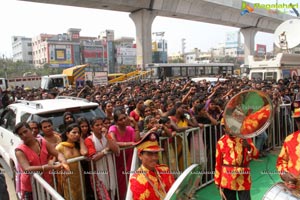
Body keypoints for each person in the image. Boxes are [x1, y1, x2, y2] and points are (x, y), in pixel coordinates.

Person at [14, 122, 69, 200]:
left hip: (46, 183)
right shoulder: (19, 150)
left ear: (30, 130)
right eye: (20, 134)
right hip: (30, 187)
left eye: (25, 131)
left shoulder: (42, 142)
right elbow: (26, 168)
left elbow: (58, 154)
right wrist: (49, 167)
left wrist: (64, 163)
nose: (24, 135)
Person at [214, 120, 259, 200]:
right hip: (227, 179)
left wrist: (248, 146)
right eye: (226, 127)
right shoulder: (221, 142)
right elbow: (218, 163)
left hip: (243, 176)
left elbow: (255, 155)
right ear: (224, 128)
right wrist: (217, 180)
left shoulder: (245, 138)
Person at [130, 132, 175, 200]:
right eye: (149, 154)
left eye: (156, 153)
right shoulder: (136, 180)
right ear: (140, 155)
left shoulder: (165, 170)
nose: (154, 158)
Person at [84, 117, 119, 200]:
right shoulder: (89, 140)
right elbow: (94, 158)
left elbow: (116, 150)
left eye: (101, 124)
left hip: (110, 169)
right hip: (98, 173)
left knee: (111, 191)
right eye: (97, 125)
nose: (100, 127)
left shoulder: (107, 136)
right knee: (103, 195)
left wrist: (107, 136)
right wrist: (106, 150)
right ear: (92, 128)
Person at [56, 123, 88, 200]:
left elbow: (84, 153)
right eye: (74, 132)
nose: (76, 135)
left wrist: (80, 140)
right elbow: (52, 161)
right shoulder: (60, 147)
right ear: (67, 133)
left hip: (79, 177)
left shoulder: (77, 145)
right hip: (67, 178)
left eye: (78, 133)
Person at [276, 108, 300, 192]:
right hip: (293, 189)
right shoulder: (290, 139)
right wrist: (284, 174)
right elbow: (281, 161)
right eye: (298, 120)